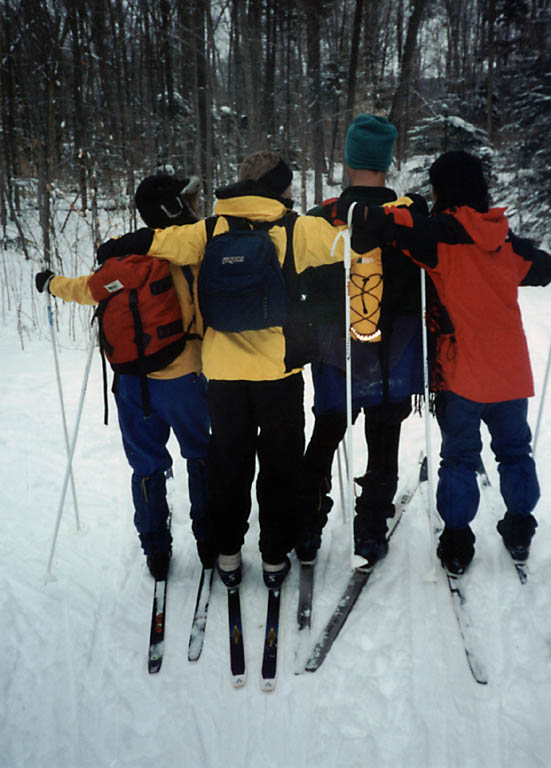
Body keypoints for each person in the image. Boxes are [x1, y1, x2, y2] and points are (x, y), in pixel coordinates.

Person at [94, 151, 349, 590]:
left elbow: (156, 241)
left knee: (229, 465)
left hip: (224, 375)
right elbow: (352, 246)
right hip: (278, 372)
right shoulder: (300, 228)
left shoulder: (209, 229)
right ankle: (273, 557)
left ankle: (228, 555)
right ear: (279, 187)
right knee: (278, 465)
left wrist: (115, 247)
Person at [340, 149, 551, 574]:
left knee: (458, 457)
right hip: (511, 374)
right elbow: (542, 268)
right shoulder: (505, 240)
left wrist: (358, 207)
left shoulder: (438, 234)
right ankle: (521, 527)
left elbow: (377, 222)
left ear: (440, 188)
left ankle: (456, 542)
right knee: (515, 452)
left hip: (461, 375)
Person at [35, 174, 214, 581]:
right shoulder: (188, 254)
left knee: (147, 465)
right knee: (201, 455)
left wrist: (51, 283)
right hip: (183, 378)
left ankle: (155, 549)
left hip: (131, 383)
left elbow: (87, 290)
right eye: (187, 198)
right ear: (174, 208)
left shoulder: (121, 262)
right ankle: (208, 538)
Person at [295, 113, 425, 567]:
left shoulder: (322, 218)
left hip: (335, 353)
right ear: (386, 162)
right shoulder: (407, 217)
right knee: (384, 437)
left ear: (349, 160)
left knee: (325, 436)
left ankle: (307, 526)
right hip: (396, 353)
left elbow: (304, 280)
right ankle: (370, 530)